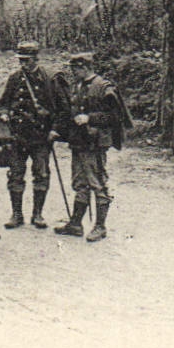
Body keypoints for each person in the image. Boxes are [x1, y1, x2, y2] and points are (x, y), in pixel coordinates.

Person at [53, 52, 129, 242]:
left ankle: (100, 226)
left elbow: (116, 117)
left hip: (95, 145)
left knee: (97, 183)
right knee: (79, 182)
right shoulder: (77, 86)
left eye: (74, 68)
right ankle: (76, 224)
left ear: (84, 68)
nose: (72, 72)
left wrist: (90, 118)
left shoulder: (104, 87)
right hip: (79, 142)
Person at [0, 41, 63, 229]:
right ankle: (16, 214)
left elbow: (62, 109)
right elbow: (2, 103)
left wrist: (55, 130)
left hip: (41, 137)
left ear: (36, 58)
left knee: (41, 174)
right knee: (15, 174)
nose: (23, 64)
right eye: (21, 60)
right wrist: (3, 113)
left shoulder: (49, 79)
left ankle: (38, 214)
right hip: (18, 135)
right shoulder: (15, 78)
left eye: (26, 60)